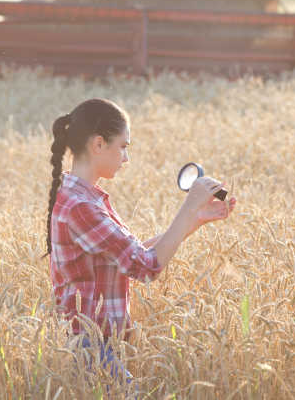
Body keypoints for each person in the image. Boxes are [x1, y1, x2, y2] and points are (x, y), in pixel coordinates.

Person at [45, 98, 237, 389]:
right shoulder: (80, 207)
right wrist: (188, 206)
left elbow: (131, 257)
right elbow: (146, 267)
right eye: (123, 147)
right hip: (89, 348)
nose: (126, 158)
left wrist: (197, 218)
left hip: (95, 345)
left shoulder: (84, 198)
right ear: (98, 144)